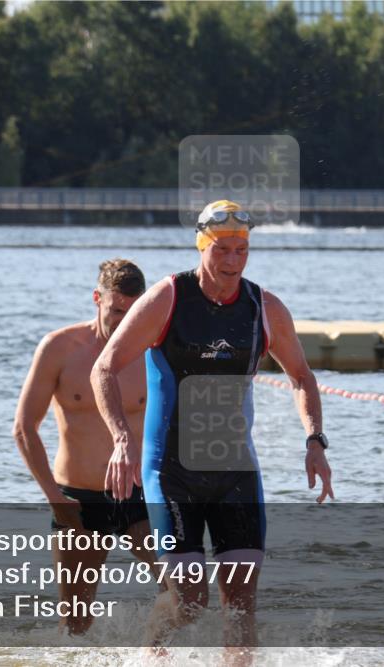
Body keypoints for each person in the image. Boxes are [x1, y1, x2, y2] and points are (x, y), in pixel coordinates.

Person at [90, 200, 333, 658]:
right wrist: (122, 441)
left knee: (241, 605)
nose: (232, 260)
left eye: (241, 250)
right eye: (222, 249)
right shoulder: (167, 298)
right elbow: (104, 370)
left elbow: (301, 376)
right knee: (190, 600)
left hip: (234, 470)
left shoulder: (265, 307)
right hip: (171, 469)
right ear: (202, 245)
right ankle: (150, 651)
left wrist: (314, 440)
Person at [12, 259, 157, 635]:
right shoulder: (60, 348)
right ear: (98, 299)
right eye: (116, 311)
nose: (124, 322)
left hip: (139, 495)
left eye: (133, 312)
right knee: (75, 621)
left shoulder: (154, 351)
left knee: (184, 590)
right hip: (76, 501)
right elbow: (25, 428)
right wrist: (52, 497)